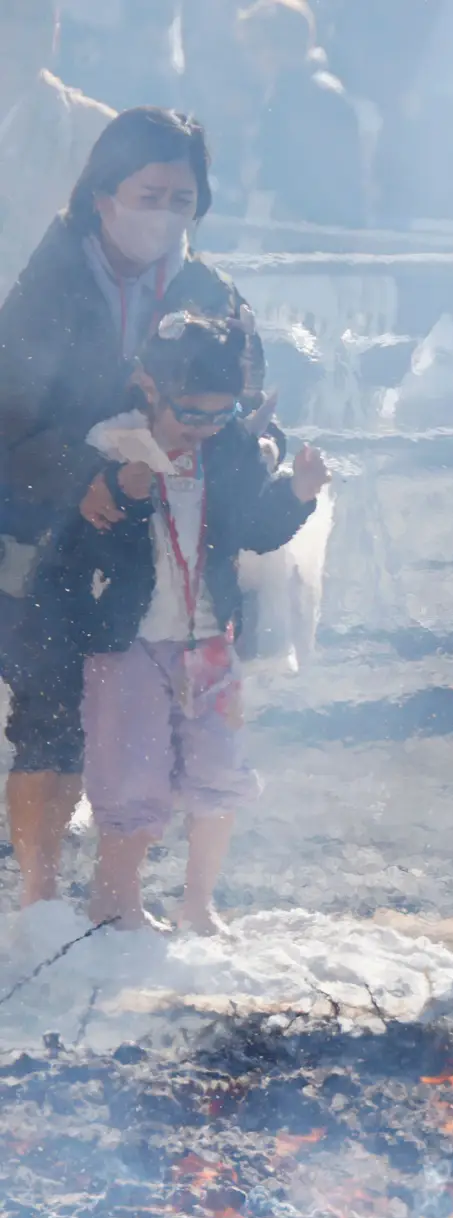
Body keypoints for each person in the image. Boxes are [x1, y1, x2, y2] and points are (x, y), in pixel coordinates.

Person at [0, 108, 265, 913]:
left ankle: (126, 894)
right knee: (47, 707)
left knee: (145, 721)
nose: (166, 216)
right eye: (150, 194)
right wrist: (80, 472)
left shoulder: (210, 291)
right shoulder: (48, 280)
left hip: (159, 553)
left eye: (183, 200)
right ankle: (40, 896)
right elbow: (8, 413)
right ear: (103, 193)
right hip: (48, 529)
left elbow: (251, 408)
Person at [40, 313, 325, 932]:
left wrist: (297, 494)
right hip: (128, 642)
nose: (202, 429)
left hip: (209, 638)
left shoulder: (231, 453)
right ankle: (115, 901)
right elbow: (72, 548)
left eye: (218, 415)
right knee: (130, 773)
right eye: (190, 414)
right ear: (148, 387)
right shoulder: (108, 448)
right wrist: (118, 493)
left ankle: (199, 903)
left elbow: (252, 531)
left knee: (219, 767)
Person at [0, 0, 114, 293]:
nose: (19, 35)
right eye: (8, 16)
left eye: (36, 21)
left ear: (56, 32)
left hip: (42, 315)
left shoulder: (97, 131)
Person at [231, 0, 370, 229]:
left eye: (255, 46)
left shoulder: (310, 98)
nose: (249, 57)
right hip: (300, 229)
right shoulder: (286, 92)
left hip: (310, 234)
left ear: (281, 46)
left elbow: (313, 182)